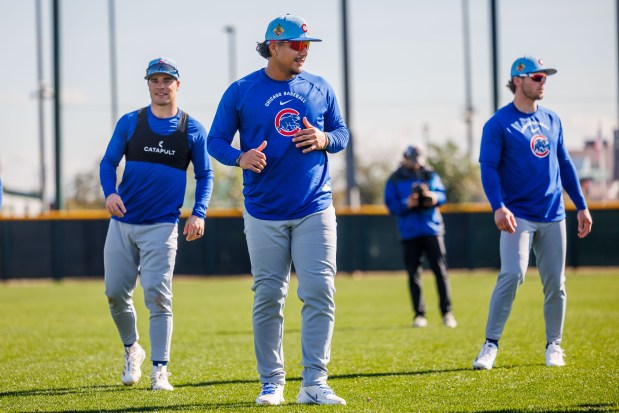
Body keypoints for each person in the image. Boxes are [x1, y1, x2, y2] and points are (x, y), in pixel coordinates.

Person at [207, 13, 348, 406]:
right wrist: (241, 158)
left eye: (307, 45)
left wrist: (324, 138)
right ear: (273, 46)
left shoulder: (320, 87)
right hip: (264, 211)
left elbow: (342, 134)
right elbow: (215, 141)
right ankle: (272, 382)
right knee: (269, 296)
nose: (304, 51)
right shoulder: (241, 91)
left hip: (314, 206)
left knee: (320, 291)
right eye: (296, 45)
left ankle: (315, 383)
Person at [99, 57, 213, 390]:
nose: (161, 86)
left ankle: (159, 370)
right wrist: (109, 193)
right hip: (122, 222)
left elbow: (205, 175)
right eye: (155, 80)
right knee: (114, 294)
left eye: (167, 80)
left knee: (158, 297)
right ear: (148, 84)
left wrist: (199, 211)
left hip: (162, 226)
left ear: (178, 85)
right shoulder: (131, 122)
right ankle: (132, 348)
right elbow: (108, 162)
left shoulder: (192, 129)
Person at [473, 56, 593, 370]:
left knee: (556, 283)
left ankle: (554, 345)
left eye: (545, 77)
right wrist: (497, 206)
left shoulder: (552, 119)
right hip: (518, 215)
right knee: (512, 274)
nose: (543, 82)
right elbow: (488, 168)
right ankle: (490, 344)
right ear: (518, 79)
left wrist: (581, 205)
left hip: (553, 214)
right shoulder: (498, 123)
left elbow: (565, 164)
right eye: (538, 77)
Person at [384, 145, 456, 329]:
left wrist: (434, 197)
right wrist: (406, 203)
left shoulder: (430, 175)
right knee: (413, 274)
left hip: (432, 229)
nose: (416, 164)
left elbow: (442, 195)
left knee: (441, 272)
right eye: (412, 160)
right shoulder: (395, 179)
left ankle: (447, 313)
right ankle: (419, 314)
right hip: (409, 232)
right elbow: (390, 205)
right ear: (405, 158)